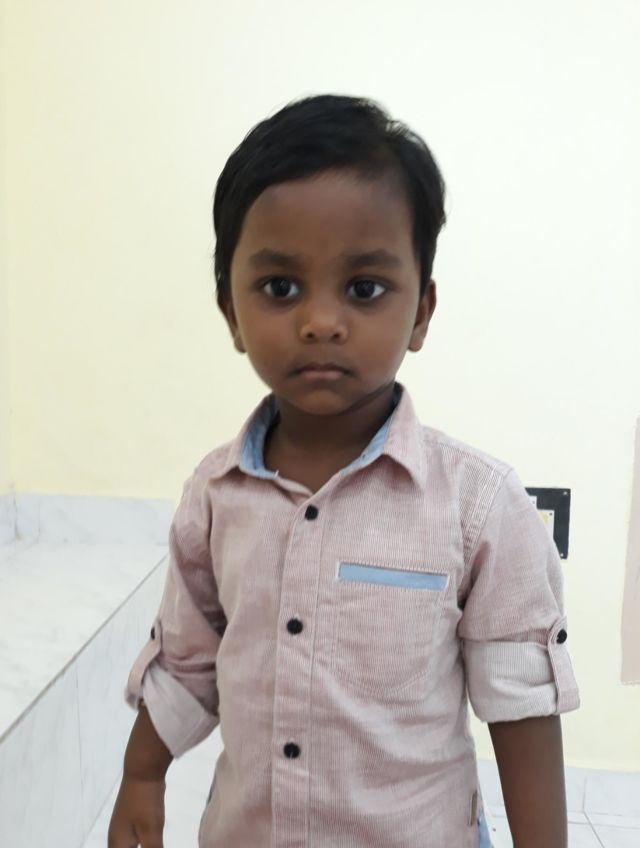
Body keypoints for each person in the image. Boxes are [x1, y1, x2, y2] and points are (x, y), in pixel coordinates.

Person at [108, 94, 579, 848]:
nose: (321, 322)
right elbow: (188, 661)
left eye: (364, 289)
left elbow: (521, 704)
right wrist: (141, 775)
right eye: (280, 287)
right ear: (231, 313)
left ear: (420, 312)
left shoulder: (479, 507)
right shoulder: (215, 495)